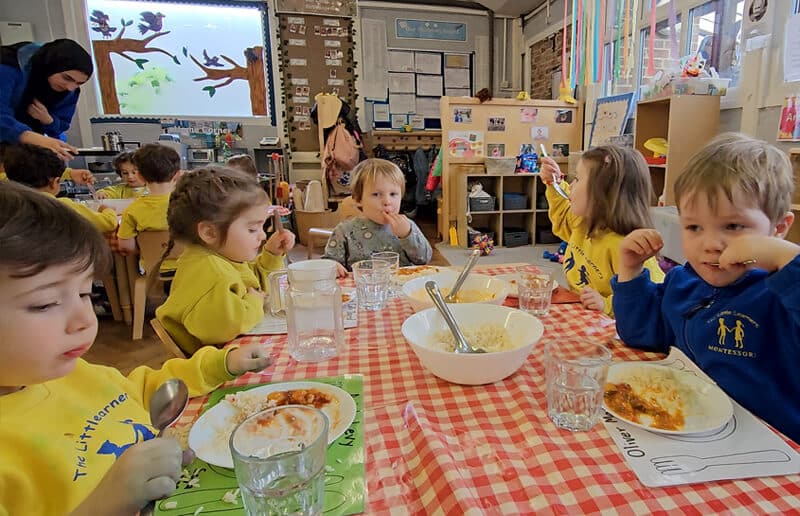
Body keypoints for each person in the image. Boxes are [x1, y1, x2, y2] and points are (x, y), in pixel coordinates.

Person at [0, 180, 273, 514]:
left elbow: (147, 389)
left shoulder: (73, 375)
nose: (85, 319)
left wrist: (221, 364)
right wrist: (104, 504)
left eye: (85, 293)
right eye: (44, 303)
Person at [612, 133, 800, 443]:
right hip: (689, 426)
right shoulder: (682, 283)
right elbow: (639, 335)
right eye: (694, 227)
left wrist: (788, 259)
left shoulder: (779, 295)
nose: (710, 245)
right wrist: (630, 272)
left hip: (768, 450)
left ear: (778, 228)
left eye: (733, 226)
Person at [155, 167, 296, 356]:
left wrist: (270, 254)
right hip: (215, 369)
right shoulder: (211, 271)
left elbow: (252, 287)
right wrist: (254, 302)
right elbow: (230, 325)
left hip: (224, 356)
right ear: (209, 233)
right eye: (252, 229)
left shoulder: (220, 258)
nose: (262, 236)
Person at [539, 146, 665, 315]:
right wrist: (554, 183)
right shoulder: (585, 223)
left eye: (576, 179)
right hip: (582, 315)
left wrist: (606, 304)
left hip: (616, 331)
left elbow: (653, 299)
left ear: (602, 193)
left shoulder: (628, 247)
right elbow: (562, 217)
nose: (570, 185)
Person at [322, 158, 432, 277]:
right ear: (358, 199)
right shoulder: (344, 230)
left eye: (393, 194)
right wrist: (332, 266)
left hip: (402, 289)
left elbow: (424, 260)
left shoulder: (407, 226)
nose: (387, 201)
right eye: (376, 194)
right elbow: (328, 263)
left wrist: (407, 235)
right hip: (362, 291)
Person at [0, 39, 93, 161]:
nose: (70, 88)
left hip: (27, 151)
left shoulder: (70, 90)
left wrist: (49, 121)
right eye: (66, 78)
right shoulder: (8, 66)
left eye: (79, 83)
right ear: (50, 65)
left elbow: (62, 125)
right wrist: (36, 139)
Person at [3, 143, 117, 233]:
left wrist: (70, 173)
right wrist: (107, 210)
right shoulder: (60, 206)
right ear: (54, 182)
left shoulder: (8, 202)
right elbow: (107, 223)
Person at [116, 145, 180, 268]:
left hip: (152, 270)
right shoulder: (191, 204)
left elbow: (125, 247)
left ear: (140, 176)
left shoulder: (132, 210)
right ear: (177, 175)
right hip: (189, 269)